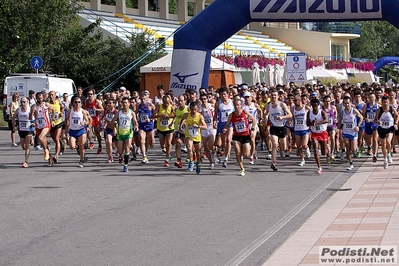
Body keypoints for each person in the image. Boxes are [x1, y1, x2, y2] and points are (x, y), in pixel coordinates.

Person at [223, 98, 255, 176]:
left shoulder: (245, 113)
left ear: (241, 105)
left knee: (246, 154)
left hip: (245, 136)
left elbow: (254, 119)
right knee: (237, 152)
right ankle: (242, 169)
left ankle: (249, 148)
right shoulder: (232, 115)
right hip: (236, 136)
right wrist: (225, 128)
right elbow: (227, 124)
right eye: (235, 105)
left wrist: (253, 127)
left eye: (238, 105)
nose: (237, 107)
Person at [264, 88, 292, 171]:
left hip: (282, 127)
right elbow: (265, 113)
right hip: (274, 127)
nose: (273, 97)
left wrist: (282, 117)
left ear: (278, 96)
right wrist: (264, 117)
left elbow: (290, 115)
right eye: (272, 95)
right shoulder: (268, 105)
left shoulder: (282, 105)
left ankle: (283, 149)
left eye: (275, 95)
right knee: (274, 144)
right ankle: (274, 162)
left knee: (283, 147)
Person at [111, 97, 138, 172]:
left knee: (126, 149)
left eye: (126, 102)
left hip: (128, 133)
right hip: (120, 134)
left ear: (129, 103)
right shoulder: (118, 112)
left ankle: (125, 166)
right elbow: (113, 120)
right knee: (120, 151)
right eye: (123, 103)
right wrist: (115, 126)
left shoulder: (132, 112)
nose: (125, 104)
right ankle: (121, 156)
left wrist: (136, 126)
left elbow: (135, 121)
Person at [179, 101, 207, 174]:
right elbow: (182, 120)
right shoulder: (186, 115)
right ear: (189, 109)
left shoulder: (200, 116)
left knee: (198, 152)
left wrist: (198, 126)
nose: (193, 111)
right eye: (192, 109)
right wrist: (181, 127)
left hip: (197, 136)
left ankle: (198, 163)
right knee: (189, 147)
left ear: (197, 109)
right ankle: (191, 162)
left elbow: (205, 126)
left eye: (195, 109)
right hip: (189, 135)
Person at [29, 92, 56, 166]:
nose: (40, 100)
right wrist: (32, 112)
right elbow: (30, 118)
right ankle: (50, 158)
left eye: (41, 98)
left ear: (43, 98)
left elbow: (53, 109)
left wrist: (53, 119)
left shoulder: (45, 104)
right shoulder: (33, 106)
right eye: (38, 98)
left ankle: (45, 151)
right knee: (44, 142)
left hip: (46, 125)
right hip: (38, 126)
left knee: (40, 138)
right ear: (36, 98)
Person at [338, 96, 364, 171]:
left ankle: (356, 149)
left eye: (348, 103)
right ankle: (351, 164)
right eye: (345, 103)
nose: (347, 105)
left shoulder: (354, 111)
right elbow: (340, 120)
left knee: (353, 149)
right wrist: (338, 127)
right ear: (343, 104)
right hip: (346, 131)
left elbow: (361, 117)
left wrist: (358, 126)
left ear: (350, 103)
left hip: (353, 132)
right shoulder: (342, 112)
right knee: (348, 148)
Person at [65, 97, 91, 168]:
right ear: (73, 103)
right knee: (71, 147)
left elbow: (88, 120)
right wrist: (66, 129)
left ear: (81, 104)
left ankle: (81, 160)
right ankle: (78, 147)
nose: (77, 104)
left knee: (82, 145)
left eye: (79, 102)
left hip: (81, 130)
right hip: (72, 131)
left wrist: (85, 123)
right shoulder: (70, 111)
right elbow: (66, 119)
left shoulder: (83, 111)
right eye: (75, 102)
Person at [374, 96, 399, 169]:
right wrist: (377, 122)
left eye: (387, 102)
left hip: (390, 128)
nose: (385, 104)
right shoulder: (379, 110)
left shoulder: (392, 109)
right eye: (384, 102)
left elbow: (397, 116)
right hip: (382, 129)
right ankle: (385, 159)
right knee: (383, 145)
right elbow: (375, 119)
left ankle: (389, 154)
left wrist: (396, 124)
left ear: (389, 102)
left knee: (388, 141)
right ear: (382, 102)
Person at [307, 98, 329, 174]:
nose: (314, 107)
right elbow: (307, 123)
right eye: (313, 106)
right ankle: (319, 167)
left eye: (316, 106)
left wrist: (318, 122)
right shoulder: (309, 113)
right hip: (314, 133)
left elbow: (326, 120)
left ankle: (327, 150)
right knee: (315, 149)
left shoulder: (322, 112)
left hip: (322, 132)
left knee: (323, 152)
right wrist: (312, 123)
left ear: (318, 105)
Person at [214, 87, 234, 167]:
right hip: (221, 124)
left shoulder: (232, 102)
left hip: (230, 124)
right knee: (223, 143)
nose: (223, 96)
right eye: (221, 95)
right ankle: (225, 152)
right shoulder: (218, 103)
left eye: (224, 94)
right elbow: (215, 115)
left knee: (229, 139)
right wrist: (214, 121)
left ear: (228, 94)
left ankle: (226, 158)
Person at [153, 94, 175, 166]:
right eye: (165, 102)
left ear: (170, 102)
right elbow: (153, 115)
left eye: (167, 103)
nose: (166, 104)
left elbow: (175, 115)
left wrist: (168, 116)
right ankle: (167, 154)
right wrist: (160, 115)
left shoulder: (171, 107)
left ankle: (166, 159)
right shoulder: (159, 106)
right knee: (163, 146)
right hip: (161, 128)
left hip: (169, 128)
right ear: (162, 101)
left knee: (168, 142)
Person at [11, 97, 34, 168]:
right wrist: (14, 126)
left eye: (24, 102)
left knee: (27, 145)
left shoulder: (30, 109)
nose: (23, 103)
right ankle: (31, 139)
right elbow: (13, 118)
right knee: (23, 147)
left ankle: (26, 161)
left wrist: (34, 123)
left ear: (27, 102)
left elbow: (35, 117)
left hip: (29, 129)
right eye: (21, 102)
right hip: (21, 130)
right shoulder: (18, 110)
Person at [242, 91, 262, 164]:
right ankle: (252, 151)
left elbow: (260, 110)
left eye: (248, 97)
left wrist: (260, 117)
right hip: (245, 124)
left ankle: (251, 156)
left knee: (252, 139)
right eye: (246, 97)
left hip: (253, 123)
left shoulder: (254, 105)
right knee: (245, 140)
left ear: (251, 97)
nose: (247, 99)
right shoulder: (242, 106)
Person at [137, 92, 156, 163]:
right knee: (142, 140)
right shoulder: (138, 106)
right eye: (141, 99)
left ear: (146, 99)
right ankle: (144, 156)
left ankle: (150, 144)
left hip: (149, 125)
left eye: (144, 99)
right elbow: (136, 112)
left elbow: (155, 113)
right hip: (142, 125)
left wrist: (150, 119)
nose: (142, 100)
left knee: (150, 142)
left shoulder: (150, 105)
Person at [292, 93, 311, 166]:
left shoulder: (306, 108)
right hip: (297, 129)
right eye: (294, 100)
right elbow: (292, 117)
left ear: (300, 100)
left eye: (296, 100)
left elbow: (311, 114)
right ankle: (302, 159)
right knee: (299, 146)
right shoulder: (293, 108)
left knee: (304, 144)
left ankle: (307, 149)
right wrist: (290, 120)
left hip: (305, 129)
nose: (294, 102)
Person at [199, 93, 216, 169]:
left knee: (210, 145)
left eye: (204, 99)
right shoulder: (199, 108)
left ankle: (214, 152)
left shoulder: (211, 106)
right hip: (204, 129)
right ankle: (211, 162)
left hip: (212, 128)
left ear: (207, 99)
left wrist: (215, 121)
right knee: (206, 147)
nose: (203, 101)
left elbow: (216, 115)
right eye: (202, 99)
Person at [85, 89, 104, 153]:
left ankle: (100, 145)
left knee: (97, 133)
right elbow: (85, 109)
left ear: (93, 95)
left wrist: (96, 109)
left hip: (95, 118)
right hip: (89, 118)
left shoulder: (97, 101)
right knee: (88, 130)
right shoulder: (86, 101)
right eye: (88, 94)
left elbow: (102, 109)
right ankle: (91, 142)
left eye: (91, 94)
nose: (89, 95)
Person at [48, 91, 64, 163]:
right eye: (50, 95)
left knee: (57, 138)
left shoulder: (58, 101)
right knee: (55, 139)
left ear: (55, 96)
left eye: (52, 95)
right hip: (50, 124)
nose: (51, 96)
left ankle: (56, 155)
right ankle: (61, 143)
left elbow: (62, 107)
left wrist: (61, 113)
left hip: (58, 122)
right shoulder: (47, 104)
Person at [362, 91, 379, 161]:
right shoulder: (366, 106)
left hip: (375, 125)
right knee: (369, 140)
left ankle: (375, 154)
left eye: (372, 97)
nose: (371, 98)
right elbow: (362, 114)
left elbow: (380, 114)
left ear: (375, 98)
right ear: (368, 98)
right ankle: (369, 147)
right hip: (368, 124)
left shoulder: (378, 106)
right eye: (370, 97)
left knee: (375, 139)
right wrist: (365, 118)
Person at [173, 95, 188, 168]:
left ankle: (193, 156)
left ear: (185, 101)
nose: (180, 102)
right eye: (179, 100)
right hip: (178, 129)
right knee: (178, 143)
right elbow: (175, 117)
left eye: (182, 100)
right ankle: (179, 160)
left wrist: (185, 123)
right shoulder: (177, 109)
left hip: (187, 130)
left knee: (189, 146)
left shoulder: (188, 109)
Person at [102, 99, 118, 163]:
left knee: (116, 145)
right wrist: (103, 124)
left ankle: (120, 153)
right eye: (108, 103)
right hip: (108, 129)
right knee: (108, 141)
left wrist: (115, 128)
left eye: (110, 103)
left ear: (114, 104)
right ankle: (110, 156)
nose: (109, 104)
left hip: (115, 129)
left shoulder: (116, 112)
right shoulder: (106, 111)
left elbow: (117, 121)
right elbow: (104, 119)